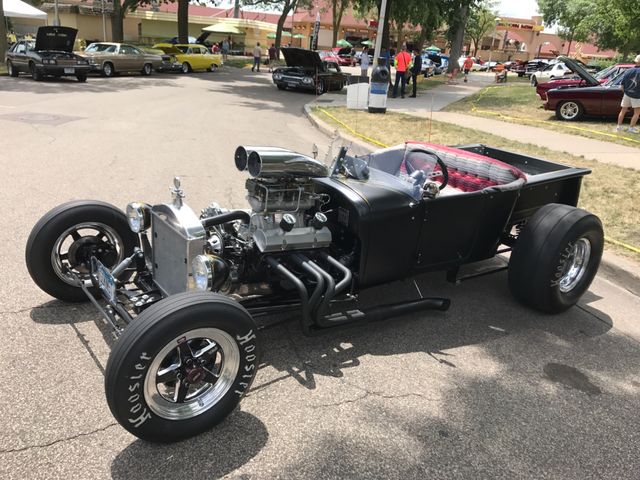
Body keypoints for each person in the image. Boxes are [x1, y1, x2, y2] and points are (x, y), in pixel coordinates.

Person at [616, 54, 640, 133]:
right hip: (637, 96)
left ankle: (618, 127)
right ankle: (631, 128)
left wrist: (626, 93)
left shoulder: (628, 71)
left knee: (623, 110)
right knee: (637, 113)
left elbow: (622, 85)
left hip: (627, 94)